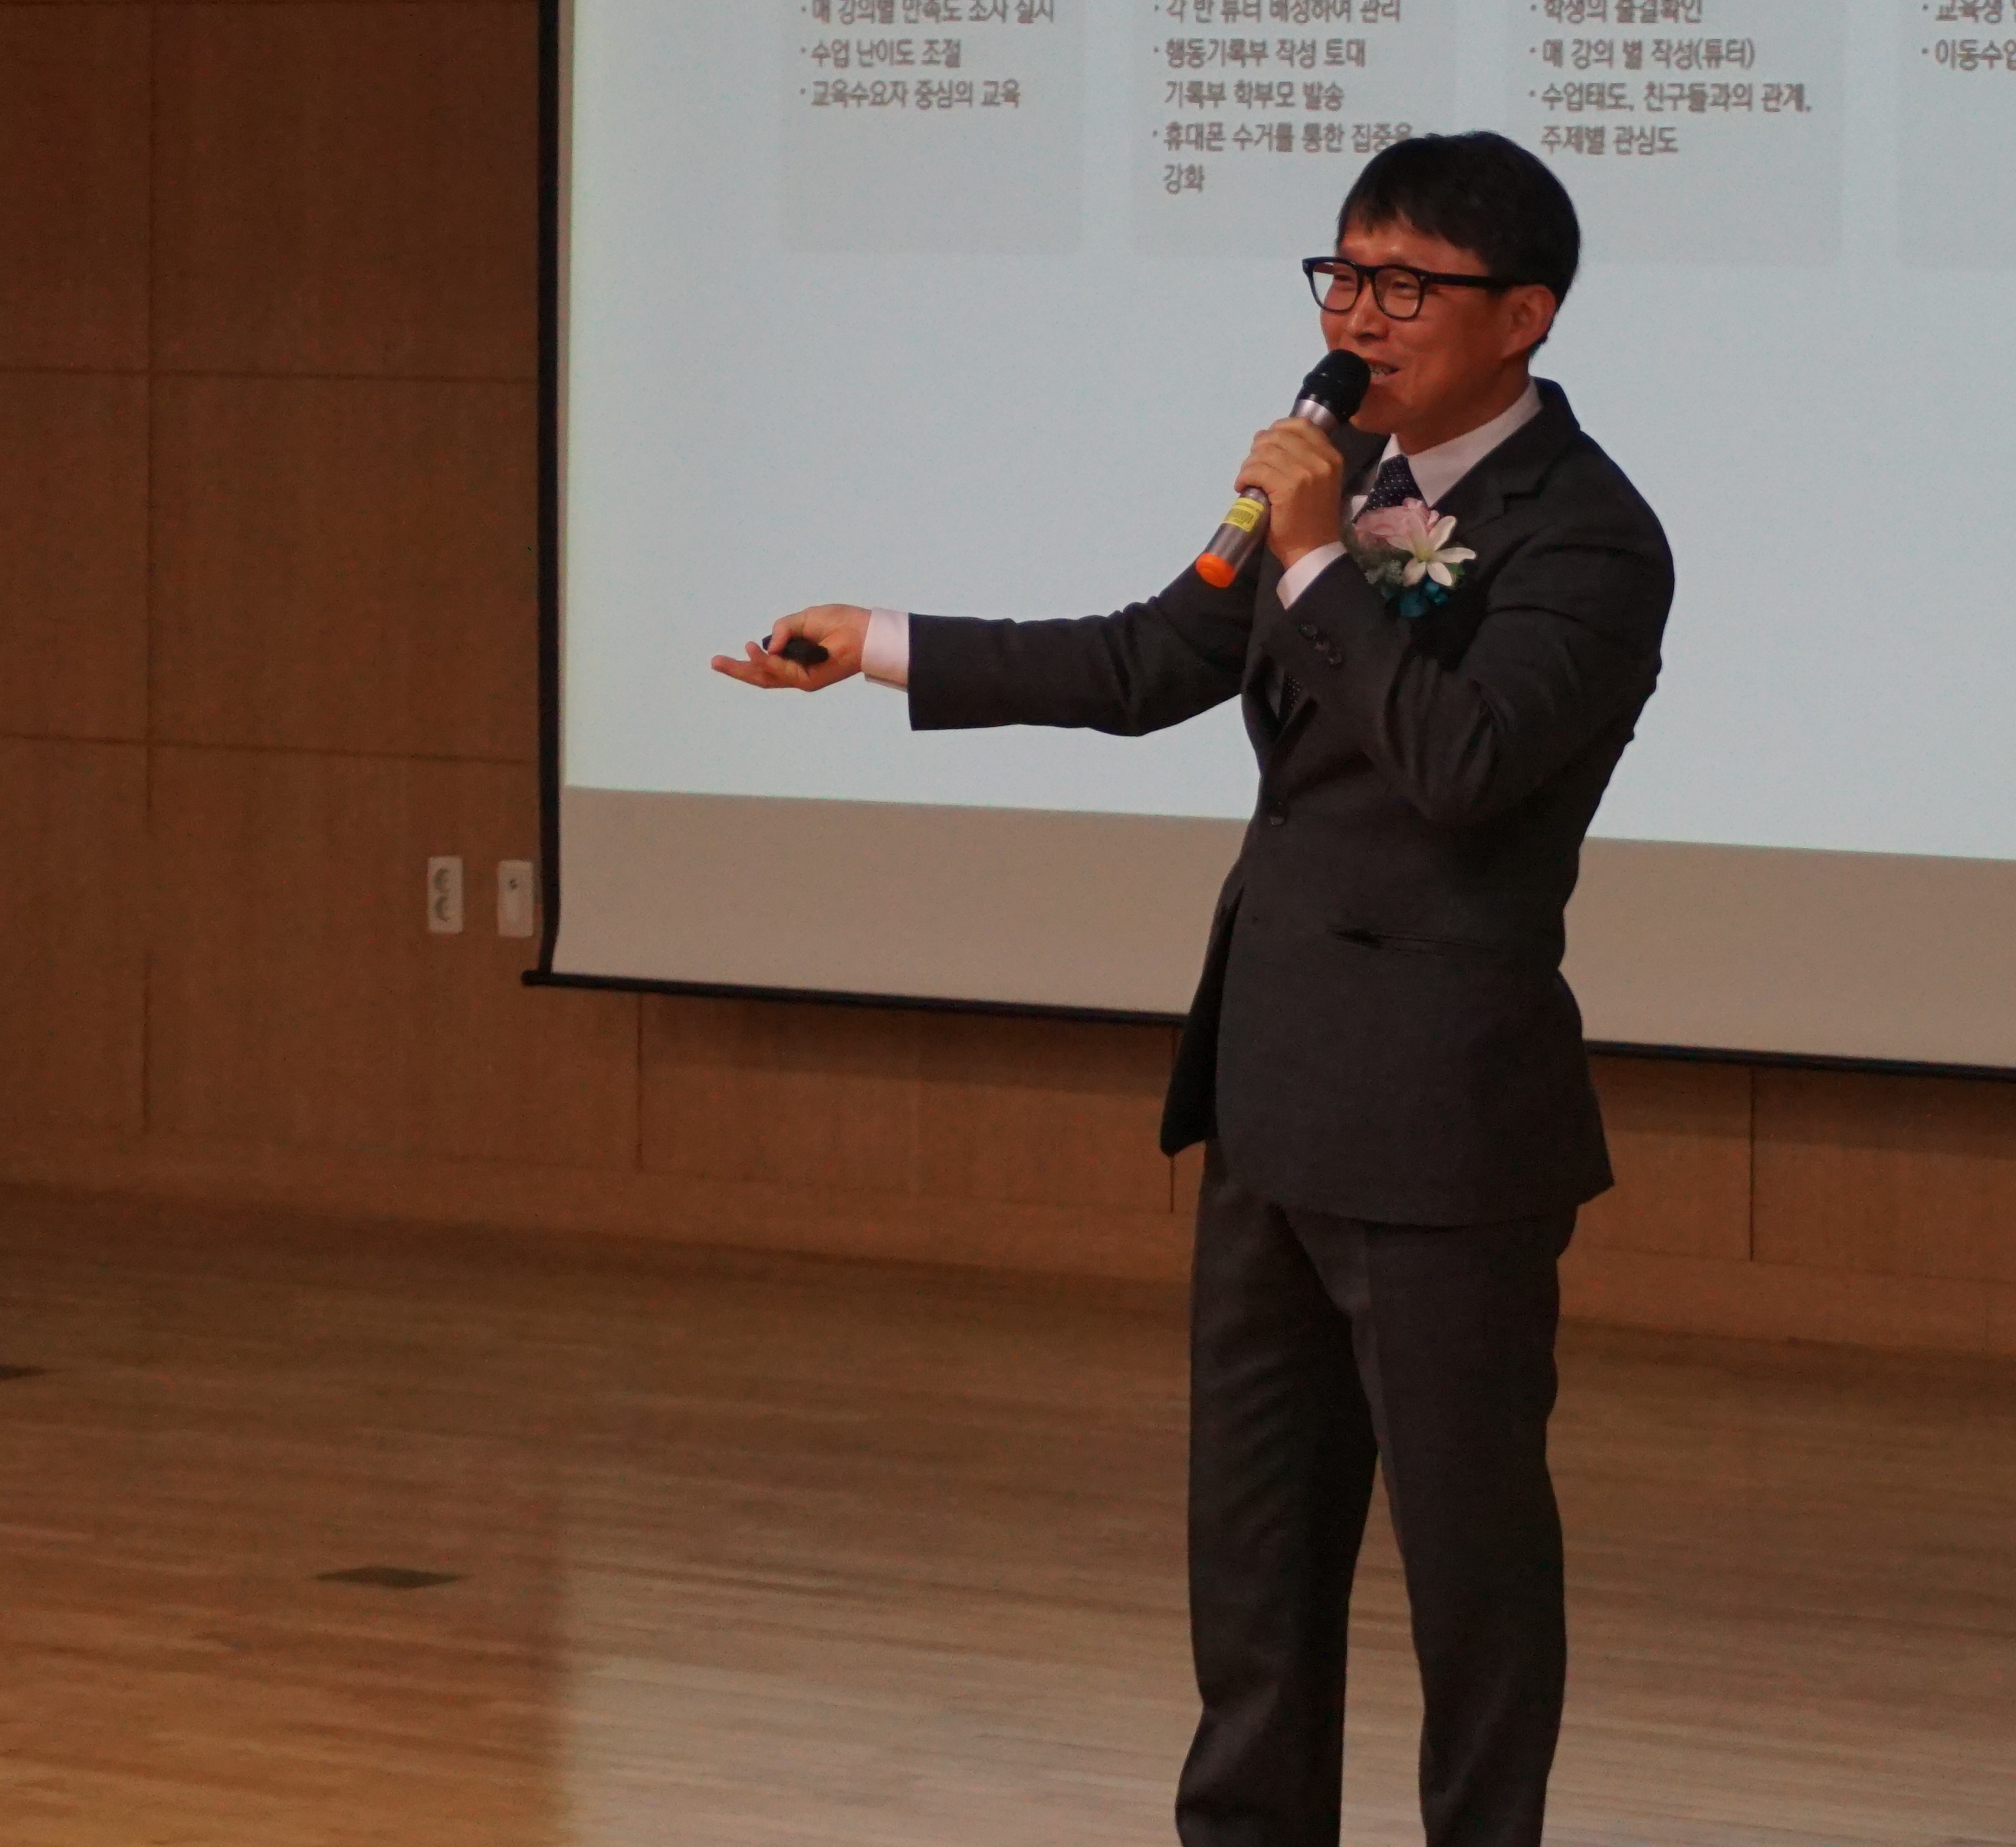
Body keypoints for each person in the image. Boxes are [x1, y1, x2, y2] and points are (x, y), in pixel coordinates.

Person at [715, 130, 1673, 1847]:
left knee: (1469, 1561)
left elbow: (1462, 766)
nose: (1359, 316)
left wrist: (1317, 565)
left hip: (1444, 1123)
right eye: (1345, 275)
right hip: (1271, 1086)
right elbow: (1152, 657)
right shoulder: (1334, 472)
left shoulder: (1591, 537)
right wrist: (881, 640)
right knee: (1253, 1546)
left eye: (1407, 285)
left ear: (1525, 313)